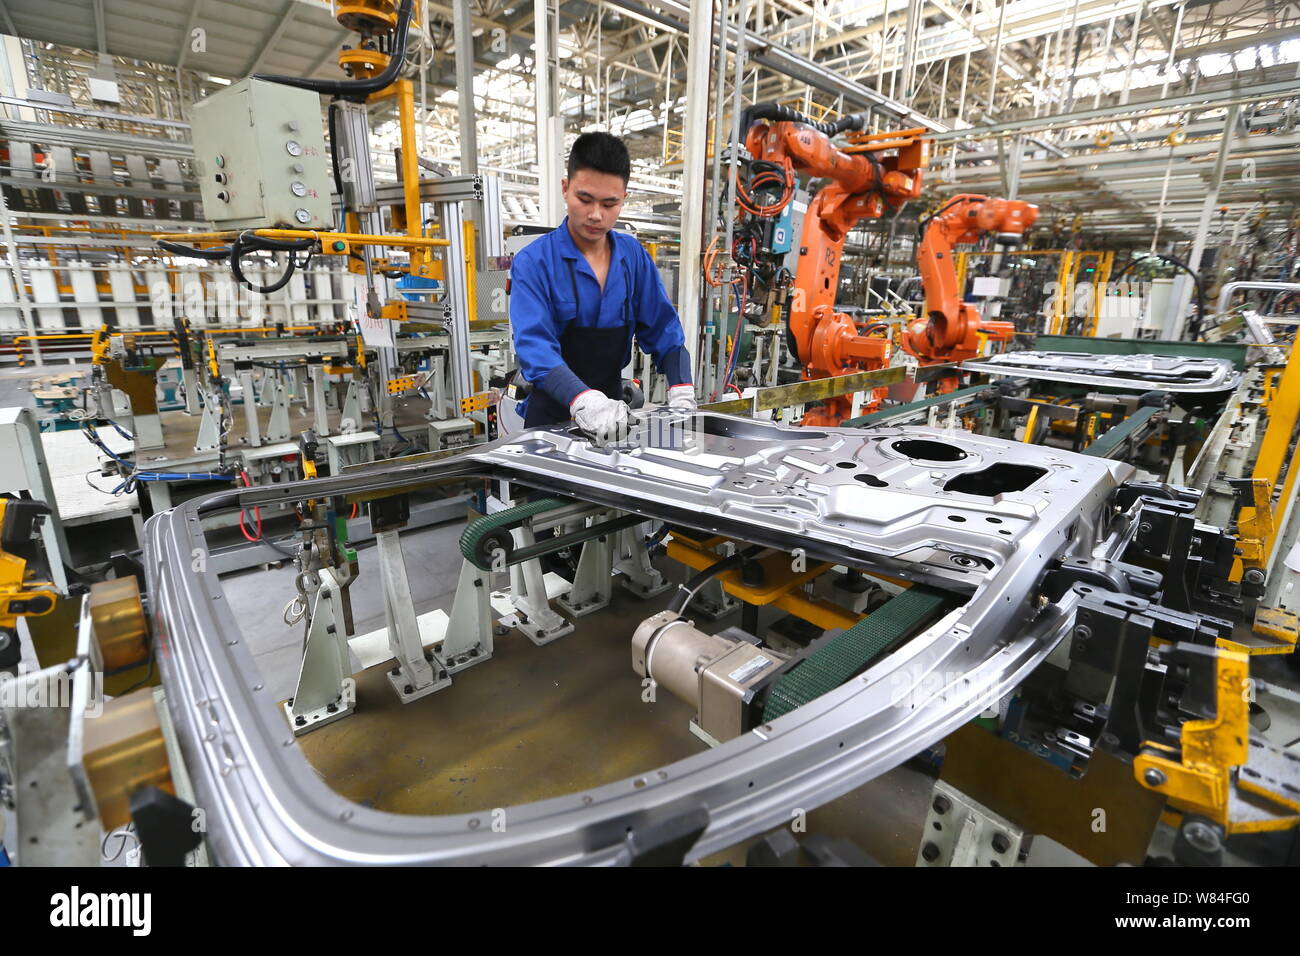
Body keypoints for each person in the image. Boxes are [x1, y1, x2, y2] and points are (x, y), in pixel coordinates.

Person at [509, 131, 696, 440]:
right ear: (565, 189)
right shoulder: (534, 262)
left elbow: (663, 329)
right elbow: (535, 348)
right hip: (551, 417)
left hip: (614, 413)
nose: (596, 215)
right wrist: (582, 399)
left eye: (610, 204)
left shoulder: (633, 257)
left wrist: (681, 388)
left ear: (624, 199)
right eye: (585, 199)